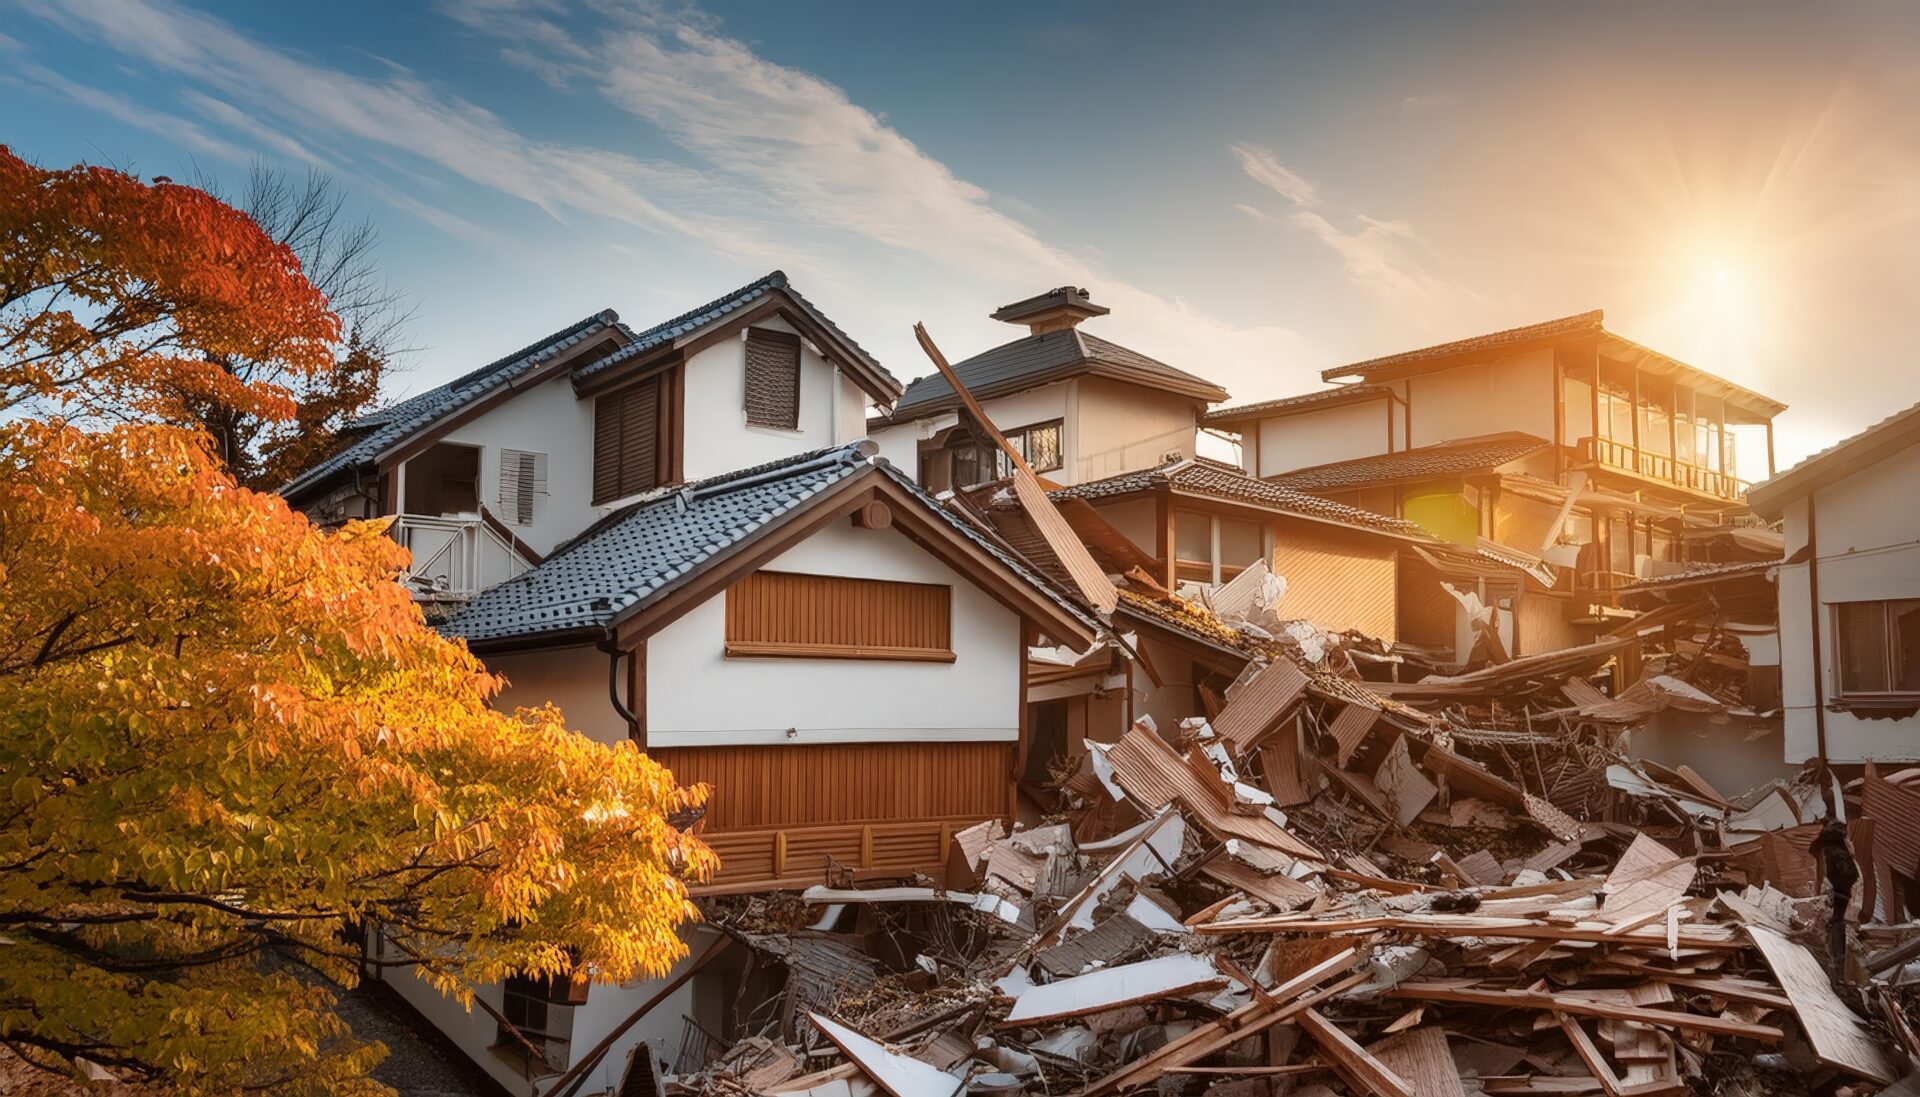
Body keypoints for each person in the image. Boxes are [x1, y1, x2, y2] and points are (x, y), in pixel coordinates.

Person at [1807, 817, 1858, 982]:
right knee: (1837, 929)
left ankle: (1836, 970)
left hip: (1837, 897)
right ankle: (1838, 970)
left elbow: (1847, 875)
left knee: (1835, 929)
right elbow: (1852, 875)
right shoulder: (1839, 851)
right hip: (1841, 896)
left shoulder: (1830, 852)